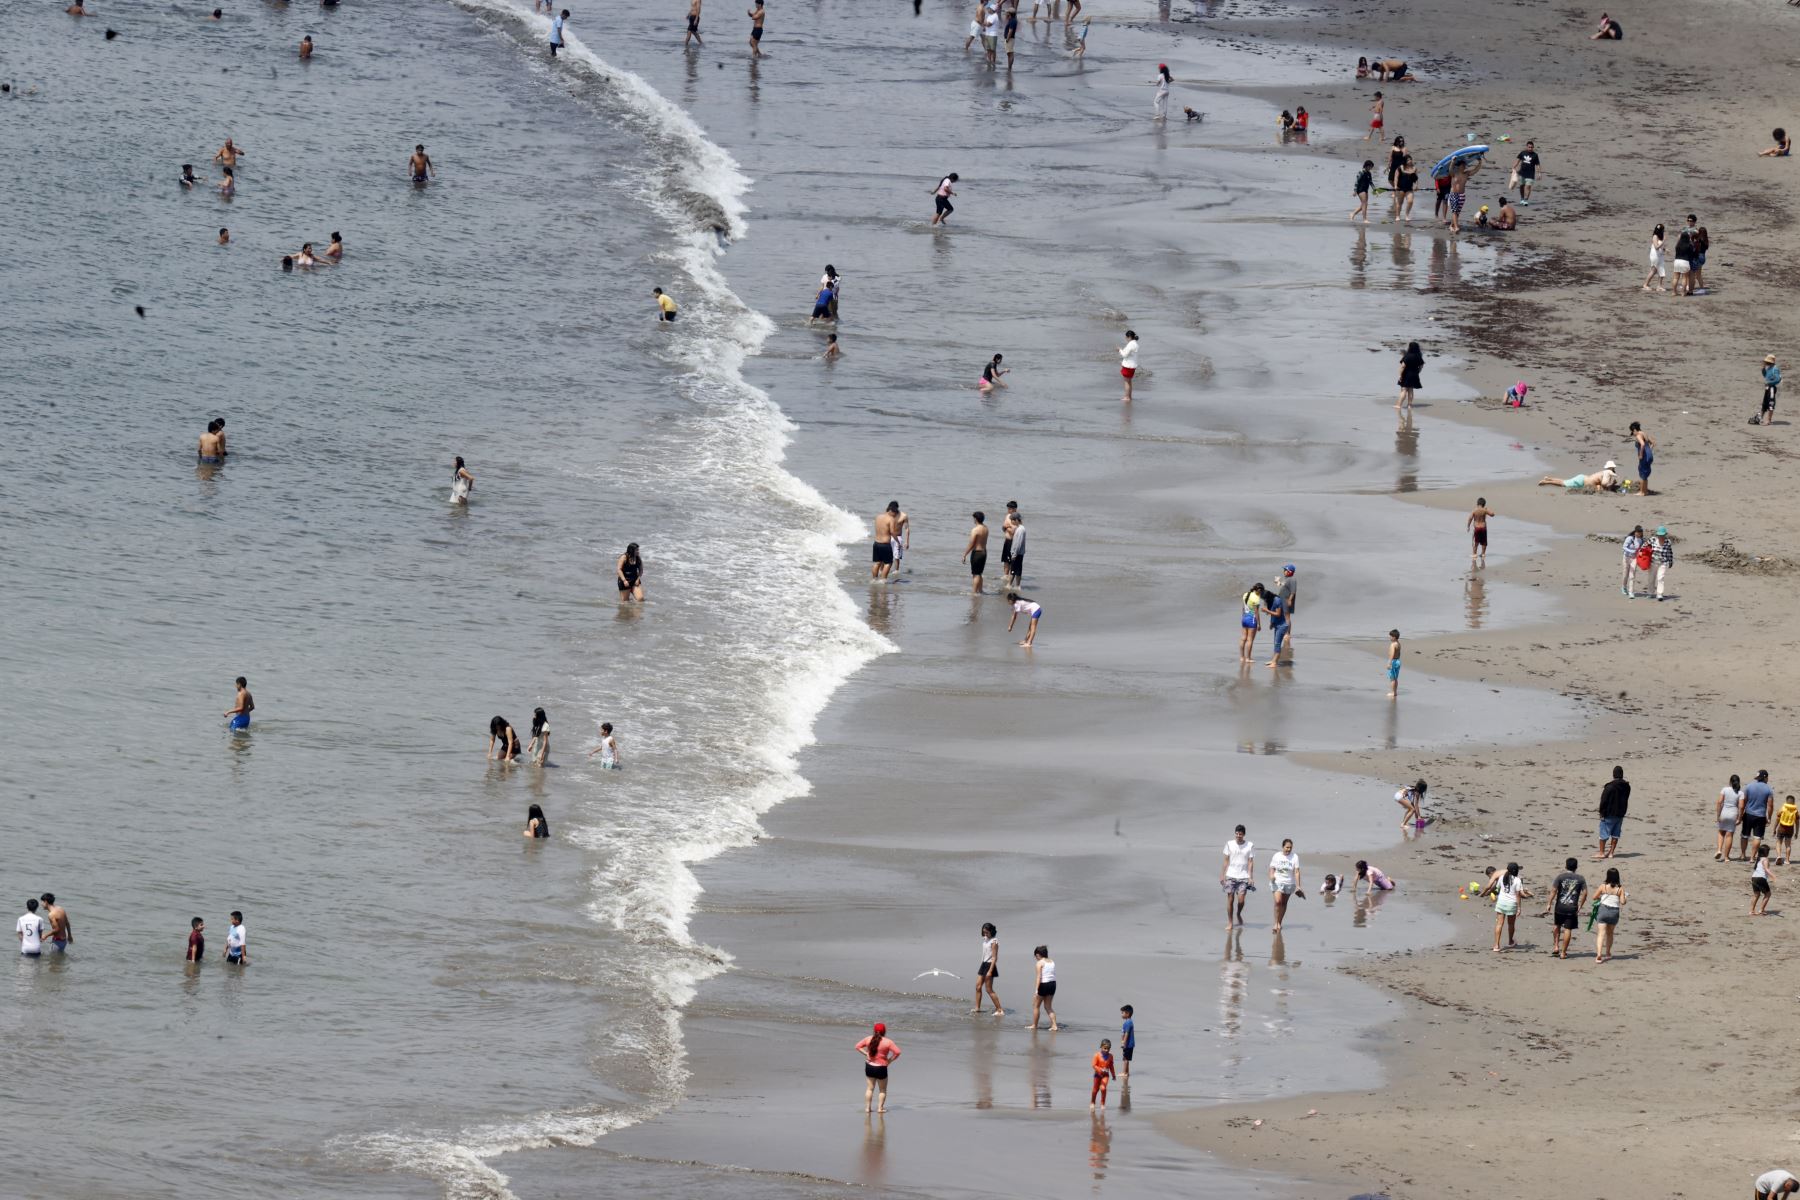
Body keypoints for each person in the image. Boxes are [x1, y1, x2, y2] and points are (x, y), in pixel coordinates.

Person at [1543, 857, 1587, 959]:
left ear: (1566, 866)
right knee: (1568, 929)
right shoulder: (1580, 878)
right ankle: (1563, 952)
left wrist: (1549, 903)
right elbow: (1585, 893)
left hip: (1560, 907)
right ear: (1576, 867)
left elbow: (1553, 891)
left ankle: (1556, 946)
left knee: (1557, 925)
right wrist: (1580, 905)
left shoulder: (1560, 877)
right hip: (1572, 907)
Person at [1483, 862, 1530, 952]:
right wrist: (1519, 908)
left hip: (1501, 903)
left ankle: (1496, 945)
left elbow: (1498, 888)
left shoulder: (1501, 877)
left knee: (1499, 924)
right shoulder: (1517, 880)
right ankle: (1510, 941)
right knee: (1511, 924)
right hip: (1511, 904)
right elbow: (1518, 895)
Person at [854, 1023, 900, 1113]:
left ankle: (867, 1108)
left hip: (869, 1067)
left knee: (869, 1088)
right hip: (881, 1068)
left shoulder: (868, 1039)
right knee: (882, 1090)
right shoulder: (888, 1042)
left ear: (874, 1031)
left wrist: (866, 1053)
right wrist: (889, 1061)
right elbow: (897, 1052)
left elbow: (857, 1046)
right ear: (884, 1031)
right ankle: (880, 1108)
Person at [1220, 825, 1255, 927]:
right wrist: (1222, 875)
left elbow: (1250, 862)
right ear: (1235, 833)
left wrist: (1250, 877)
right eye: (1237, 833)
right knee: (1230, 898)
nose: (1238, 836)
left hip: (1243, 876)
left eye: (1240, 834)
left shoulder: (1250, 845)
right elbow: (1226, 860)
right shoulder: (1229, 844)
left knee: (1241, 900)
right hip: (1230, 875)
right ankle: (1230, 922)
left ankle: (1238, 913)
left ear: (1244, 834)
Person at [1596, 765, 1630, 859]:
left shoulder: (1609, 787)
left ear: (1613, 774)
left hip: (1609, 813)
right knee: (1616, 833)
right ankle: (1611, 853)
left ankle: (1602, 852)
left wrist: (1602, 813)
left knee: (1603, 833)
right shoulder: (1627, 786)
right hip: (1620, 813)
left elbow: (1603, 801)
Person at [1269, 838, 1303, 932]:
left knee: (1284, 903)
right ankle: (1275, 923)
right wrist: (1271, 876)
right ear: (1283, 847)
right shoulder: (1277, 856)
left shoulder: (1295, 856)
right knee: (1278, 902)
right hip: (1277, 882)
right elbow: (1272, 868)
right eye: (1287, 847)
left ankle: (1279, 922)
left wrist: (1298, 885)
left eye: (1290, 848)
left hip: (1289, 883)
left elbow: (1296, 871)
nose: (1288, 849)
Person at [1591, 869, 1624, 962]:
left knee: (1601, 933)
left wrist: (1601, 897)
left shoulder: (1603, 886)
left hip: (1603, 910)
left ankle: (1598, 955)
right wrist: (1625, 897)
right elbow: (1622, 902)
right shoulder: (1620, 888)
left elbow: (1594, 897)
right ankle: (1608, 953)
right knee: (1610, 933)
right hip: (1614, 912)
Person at [1742, 770, 1775, 861]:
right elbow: (1770, 805)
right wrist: (1769, 818)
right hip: (1760, 816)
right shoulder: (1769, 789)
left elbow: (1744, 801)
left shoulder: (1749, 786)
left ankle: (1743, 854)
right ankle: (1752, 857)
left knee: (1745, 835)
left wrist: (1741, 813)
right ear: (1765, 777)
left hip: (1748, 814)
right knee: (1757, 837)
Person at [974, 922, 1003, 1015]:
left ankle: (1000, 1010)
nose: (985, 934)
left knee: (988, 989)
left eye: (987, 932)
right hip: (983, 964)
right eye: (984, 932)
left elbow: (995, 957)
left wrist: (990, 971)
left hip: (990, 965)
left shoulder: (994, 942)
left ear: (991, 931)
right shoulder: (986, 939)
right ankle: (977, 1008)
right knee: (978, 987)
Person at [1027, 945, 1058, 1030]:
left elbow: (1038, 977)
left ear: (1038, 954)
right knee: (1048, 1006)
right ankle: (1054, 1025)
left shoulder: (1039, 963)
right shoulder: (1052, 961)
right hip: (1053, 984)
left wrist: (1036, 991)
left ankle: (1034, 1025)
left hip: (1044, 984)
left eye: (1035, 956)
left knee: (1036, 1006)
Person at [1535, 462, 1619, 492]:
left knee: (1565, 481)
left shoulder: (1604, 472)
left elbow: (1600, 484)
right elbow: (1604, 484)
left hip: (1583, 478)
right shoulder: (1608, 473)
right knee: (1563, 484)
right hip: (1582, 481)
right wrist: (1612, 485)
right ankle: (1547, 482)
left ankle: (1549, 478)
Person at [871, 501, 900, 581]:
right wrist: (898, 542)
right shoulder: (891, 519)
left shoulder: (878, 517)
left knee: (877, 563)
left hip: (876, 543)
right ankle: (882, 581)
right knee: (888, 563)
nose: (895, 515)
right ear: (893, 510)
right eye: (896, 512)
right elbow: (892, 532)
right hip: (885, 545)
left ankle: (874, 579)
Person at [1273, 565, 1297, 658]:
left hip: (1287, 600)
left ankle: (1287, 634)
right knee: (1283, 616)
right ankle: (1285, 632)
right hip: (1282, 600)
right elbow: (1283, 586)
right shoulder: (1287, 579)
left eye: (1285, 570)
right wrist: (1277, 582)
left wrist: (1290, 600)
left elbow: (1293, 591)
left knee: (1287, 617)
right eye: (1284, 570)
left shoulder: (1293, 579)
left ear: (1290, 571)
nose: (1284, 571)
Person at [1262, 582, 1289, 669]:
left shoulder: (1277, 600)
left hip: (1282, 625)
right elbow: (1271, 614)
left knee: (1277, 644)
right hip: (1277, 624)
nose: (1264, 601)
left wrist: (1266, 610)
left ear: (1267, 597)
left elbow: (1277, 614)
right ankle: (1273, 660)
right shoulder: (1270, 601)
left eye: (1264, 599)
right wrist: (1271, 623)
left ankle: (1274, 663)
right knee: (1275, 643)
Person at [1718, 775, 1745, 861]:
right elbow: (1741, 806)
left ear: (1730, 782)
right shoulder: (1740, 793)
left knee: (1721, 832)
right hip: (1733, 814)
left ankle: (1719, 850)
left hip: (1724, 813)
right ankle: (1726, 857)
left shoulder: (1725, 789)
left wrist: (1718, 815)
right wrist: (1739, 818)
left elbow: (1719, 802)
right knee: (1729, 835)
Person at [962, 512, 989, 593]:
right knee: (979, 573)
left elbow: (971, 544)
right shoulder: (986, 528)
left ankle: (974, 593)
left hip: (977, 553)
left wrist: (965, 554)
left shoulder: (975, 530)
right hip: (984, 552)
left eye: (973, 518)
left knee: (975, 575)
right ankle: (980, 591)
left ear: (976, 519)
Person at [1238, 583, 1264, 663]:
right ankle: (1248, 658)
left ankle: (1242, 657)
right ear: (1259, 591)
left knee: (1243, 638)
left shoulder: (1246, 594)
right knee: (1250, 640)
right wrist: (1259, 624)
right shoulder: (1256, 598)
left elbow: (1243, 607)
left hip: (1244, 618)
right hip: (1251, 619)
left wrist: (1243, 617)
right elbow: (1256, 612)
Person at [1627, 421, 1655, 496]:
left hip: (1645, 457)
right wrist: (1649, 451)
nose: (1633, 434)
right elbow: (1653, 442)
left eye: (1632, 432)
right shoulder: (1644, 433)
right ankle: (1645, 491)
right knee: (1645, 474)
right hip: (1650, 456)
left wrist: (1641, 454)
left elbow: (1642, 444)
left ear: (1635, 430)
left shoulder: (1638, 435)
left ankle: (1642, 492)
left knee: (1642, 473)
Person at [1090, 1039, 1117, 1110]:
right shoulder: (1097, 1055)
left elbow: (1111, 1066)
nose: (1106, 1050)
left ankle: (1102, 1103)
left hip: (1105, 1075)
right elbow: (1093, 1065)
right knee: (1095, 1090)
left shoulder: (1111, 1056)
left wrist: (1113, 1075)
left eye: (1108, 1049)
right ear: (1101, 1047)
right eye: (1105, 1048)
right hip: (1097, 1075)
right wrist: (1100, 1070)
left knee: (1103, 1088)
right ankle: (1092, 1102)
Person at [1648, 526, 1674, 601]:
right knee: (1651, 578)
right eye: (1660, 535)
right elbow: (1644, 547)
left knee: (1660, 578)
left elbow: (1669, 552)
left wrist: (1670, 561)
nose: (1661, 536)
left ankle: (1659, 594)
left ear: (1665, 535)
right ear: (1657, 535)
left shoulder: (1668, 542)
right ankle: (1650, 593)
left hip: (1663, 563)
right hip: (1652, 562)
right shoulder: (1652, 540)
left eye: (1662, 535)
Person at [1751, 844, 1777, 916]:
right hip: (1760, 878)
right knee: (1768, 894)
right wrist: (1773, 876)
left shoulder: (1758, 859)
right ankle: (1761, 910)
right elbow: (1766, 869)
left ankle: (1751, 911)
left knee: (1756, 894)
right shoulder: (1765, 859)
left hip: (1754, 878)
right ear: (1766, 853)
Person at [1397, 341, 1424, 411]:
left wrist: (1400, 375)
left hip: (1406, 375)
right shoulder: (1419, 356)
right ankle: (1409, 405)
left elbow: (1403, 366)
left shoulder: (1407, 356)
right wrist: (1418, 372)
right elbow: (1421, 366)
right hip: (1414, 375)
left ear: (1410, 348)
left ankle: (1398, 405)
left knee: (1404, 390)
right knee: (1411, 390)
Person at [1687, 213, 1710, 293]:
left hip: (1698, 257)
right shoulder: (1706, 240)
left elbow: (1692, 242)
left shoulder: (1698, 240)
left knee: (1693, 273)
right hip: (1703, 257)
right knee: (1699, 274)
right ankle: (1701, 288)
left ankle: (1691, 289)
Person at [1467, 498, 1494, 563]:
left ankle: (1474, 554)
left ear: (1477, 503)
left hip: (1477, 528)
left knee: (1475, 541)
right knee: (1484, 541)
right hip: (1483, 527)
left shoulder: (1474, 510)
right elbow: (1492, 514)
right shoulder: (1484, 510)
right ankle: (1483, 554)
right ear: (1484, 504)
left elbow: (1470, 518)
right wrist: (1487, 509)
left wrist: (1468, 526)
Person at [1394, 155, 1418, 222]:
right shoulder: (1400, 168)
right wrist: (1395, 185)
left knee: (1410, 201)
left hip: (1409, 188)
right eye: (1408, 160)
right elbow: (1396, 177)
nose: (1410, 161)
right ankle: (1398, 216)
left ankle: (1407, 215)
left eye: (1410, 159)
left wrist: (1416, 185)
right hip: (1400, 188)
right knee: (1399, 203)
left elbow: (1416, 179)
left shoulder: (1414, 168)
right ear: (1405, 161)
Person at [1644, 224, 1667, 292]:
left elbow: (1660, 247)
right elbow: (1656, 247)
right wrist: (1663, 242)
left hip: (1660, 255)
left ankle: (1659, 286)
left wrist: (1665, 250)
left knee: (1661, 270)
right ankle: (1645, 285)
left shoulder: (1660, 237)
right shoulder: (1655, 236)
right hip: (1655, 256)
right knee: (1654, 270)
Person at [1004, 512, 1026, 584]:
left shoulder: (1020, 529)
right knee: (1018, 570)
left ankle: (1009, 585)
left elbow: (1018, 543)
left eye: (1012, 520)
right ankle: (1017, 585)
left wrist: (1014, 555)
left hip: (1017, 554)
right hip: (1019, 553)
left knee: (1013, 571)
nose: (1011, 522)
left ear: (1016, 520)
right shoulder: (1020, 528)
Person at [1776, 795, 1798, 865]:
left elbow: (1777, 819)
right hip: (1790, 829)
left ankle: (1779, 856)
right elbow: (1797, 823)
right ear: (1793, 802)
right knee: (1788, 844)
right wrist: (1797, 832)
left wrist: (1774, 828)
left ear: (1786, 801)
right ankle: (1787, 860)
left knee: (1779, 842)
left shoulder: (1782, 809)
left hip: (1781, 828)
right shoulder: (1796, 811)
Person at [1350, 159, 1374, 224]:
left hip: (1366, 189)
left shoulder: (1369, 173)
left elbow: (1371, 182)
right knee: (1364, 204)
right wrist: (1355, 191)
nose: (1371, 168)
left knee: (1363, 205)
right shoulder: (1361, 172)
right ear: (1366, 166)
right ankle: (1364, 219)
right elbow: (1356, 182)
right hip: (1360, 189)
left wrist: (1375, 190)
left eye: (1371, 167)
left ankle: (1352, 214)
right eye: (1370, 166)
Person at [1119, 330, 1139, 402]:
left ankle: (1127, 397)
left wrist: (1119, 350)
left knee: (1127, 382)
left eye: (1126, 337)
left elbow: (1124, 354)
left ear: (1129, 337)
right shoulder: (1136, 344)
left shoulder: (1131, 344)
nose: (1125, 338)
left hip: (1128, 366)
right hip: (1133, 366)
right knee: (1129, 381)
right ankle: (1129, 396)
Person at [1761, 354, 1781, 425]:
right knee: (1764, 403)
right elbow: (1765, 375)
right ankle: (1761, 418)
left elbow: (1778, 379)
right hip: (1767, 388)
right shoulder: (1768, 368)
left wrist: (1770, 383)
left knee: (1771, 404)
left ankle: (1768, 420)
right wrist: (1763, 369)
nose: (1765, 362)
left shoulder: (1775, 369)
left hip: (1771, 388)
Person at [1119, 1005, 1135, 1078]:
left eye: (1123, 1013)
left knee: (1125, 1058)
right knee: (1127, 1058)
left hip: (1128, 1044)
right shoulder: (1128, 1022)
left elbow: (1127, 1033)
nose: (1121, 1014)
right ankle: (1127, 1073)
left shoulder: (1128, 1023)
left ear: (1127, 1014)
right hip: (1129, 1044)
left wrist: (1123, 1043)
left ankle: (1124, 1072)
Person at [1385, 628, 1401, 699]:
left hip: (1393, 661)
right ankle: (1395, 692)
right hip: (1398, 661)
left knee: (1392, 678)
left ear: (1394, 637)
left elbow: (1392, 654)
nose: (1390, 638)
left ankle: (1392, 692)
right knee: (1396, 678)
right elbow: (1399, 653)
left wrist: (1389, 663)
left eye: (1391, 636)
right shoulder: (1398, 643)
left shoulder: (1393, 645)